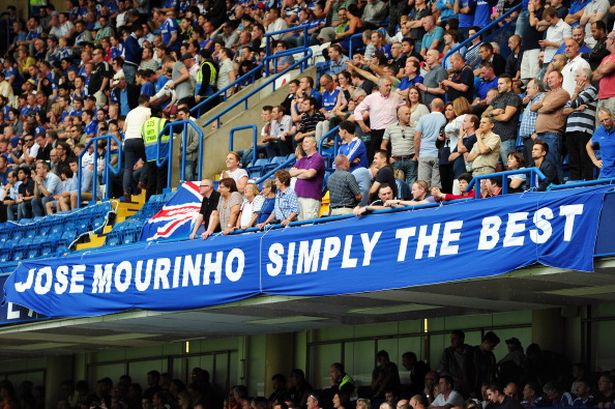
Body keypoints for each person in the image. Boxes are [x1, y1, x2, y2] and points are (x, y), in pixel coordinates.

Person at [353, 77, 405, 160]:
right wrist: (362, 125)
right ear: (379, 87)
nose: (389, 87)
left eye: (390, 85)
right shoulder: (371, 98)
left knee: (392, 158)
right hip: (376, 133)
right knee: (376, 159)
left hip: (393, 132)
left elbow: (404, 108)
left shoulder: (396, 97)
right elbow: (357, 111)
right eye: (386, 85)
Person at [532, 70, 570, 182]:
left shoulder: (563, 93)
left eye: (552, 77)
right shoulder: (547, 94)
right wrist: (542, 105)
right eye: (548, 78)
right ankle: (547, 186)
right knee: (545, 165)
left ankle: (559, 187)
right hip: (541, 135)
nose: (549, 80)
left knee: (553, 162)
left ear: (560, 79)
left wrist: (541, 106)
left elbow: (548, 108)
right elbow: (532, 108)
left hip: (552, 133)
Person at [122, 95, 151, 201]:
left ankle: (126, 191)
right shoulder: (148, 111)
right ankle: (142, 182)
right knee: (148, 160)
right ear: (146, 102)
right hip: (139, 139)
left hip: (128, 141)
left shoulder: (130, 112)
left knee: (128, 168)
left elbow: (124, 129)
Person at [289, 136, 325, 221]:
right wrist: (304, 171)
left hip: (311, 197)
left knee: (309, 224)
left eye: (307, 142)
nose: (304, 144)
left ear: (314, 144)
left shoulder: (318, 158)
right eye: (303, 142)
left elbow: (310, 174)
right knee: (300, 227)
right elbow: (290, 173)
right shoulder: (301, 160)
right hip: (298, 197)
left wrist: (298, 173)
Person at [382, 105, 417, 186]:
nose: (409, 116)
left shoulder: (415, 126)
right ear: (399, 115)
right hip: (396, 160)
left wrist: (415, 157)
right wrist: (388, 159)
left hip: (410, 159)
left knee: (412, 186)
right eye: (406, 114)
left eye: (410, 114)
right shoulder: (390, 128)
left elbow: (420, 143)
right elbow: (383, 145)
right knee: (397, 186)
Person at [415, 99, 446, 188]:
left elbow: (417, 138)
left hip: (424, 154)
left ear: (431, 106)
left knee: (423, 186)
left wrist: (417, 154)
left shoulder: (423, 118)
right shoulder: (444, 119)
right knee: (436, 187)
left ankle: (425, 202)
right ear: (443, 108)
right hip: (438, 154)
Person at [587, 109, 615, 179]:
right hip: (604, 175)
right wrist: (595, 161)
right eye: (602, 121)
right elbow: (588, 146)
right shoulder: (599, 131)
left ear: (612, 116)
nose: (605, 123)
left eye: (606, 119)